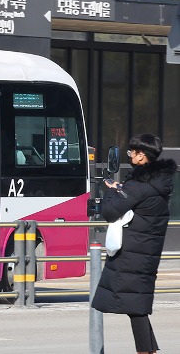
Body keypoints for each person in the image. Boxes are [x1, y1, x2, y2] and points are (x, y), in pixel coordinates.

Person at [91, 133, 177, 354]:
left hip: (132, 253)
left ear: (141, 155)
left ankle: (145, 352)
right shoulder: (158, 183)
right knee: (135, 306)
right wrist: (122, 191)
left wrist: (111, 193)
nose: (130, 156)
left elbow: (110, 212)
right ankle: (149, 351)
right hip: (145, 252)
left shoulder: (139, 184)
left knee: (135, 307)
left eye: (131, 152)